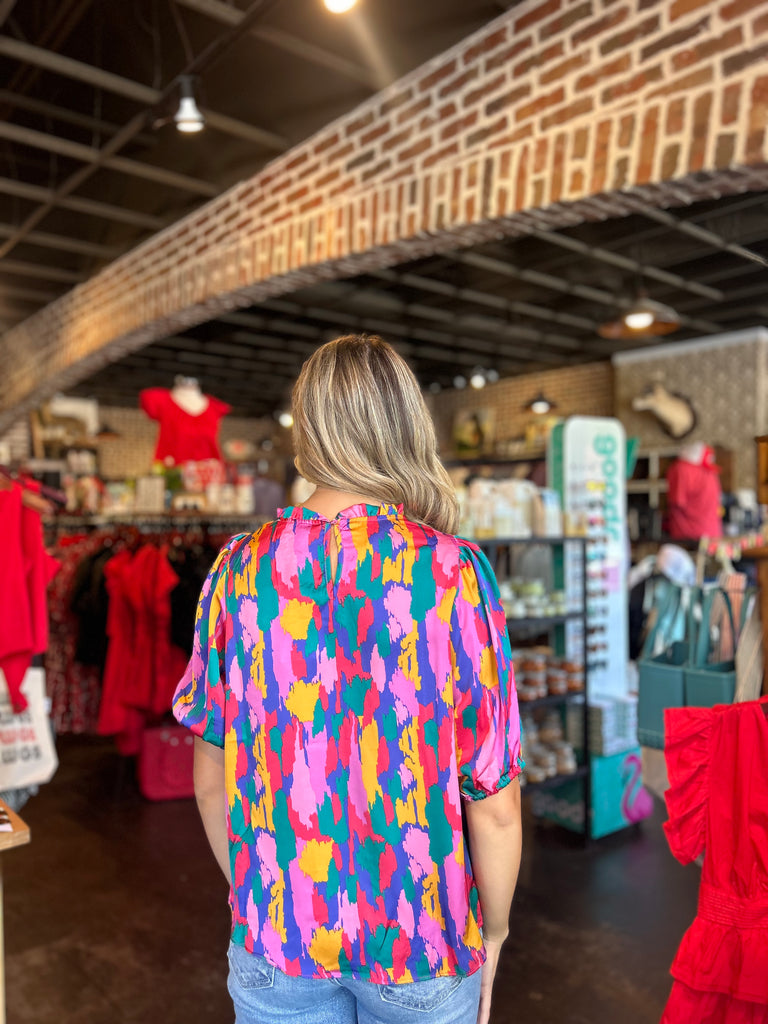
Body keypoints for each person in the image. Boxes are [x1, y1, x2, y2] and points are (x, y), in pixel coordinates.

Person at [173, 334, 523, 1024]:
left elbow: (211, 778)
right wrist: (498, 929)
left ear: (309, 427)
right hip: (421, 938)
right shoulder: (452, 573)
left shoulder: (237, 570)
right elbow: (496, 802)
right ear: (404, 426)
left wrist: (260, 897)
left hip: (277, 936)